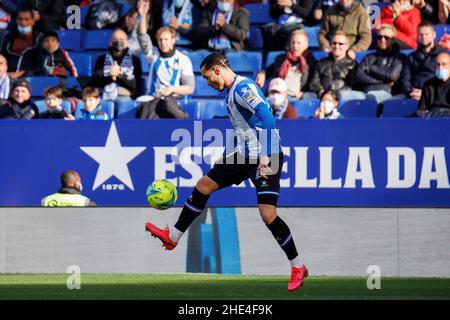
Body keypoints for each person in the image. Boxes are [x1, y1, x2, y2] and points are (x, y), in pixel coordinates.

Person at [145, 52, 308, 292]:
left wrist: (265, 154)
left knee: (268, 214)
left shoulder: (243, 89)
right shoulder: (231, 92)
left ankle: (297, 266)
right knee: (203, 185)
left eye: (207, 76)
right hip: (244, 156)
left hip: (267, 155)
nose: (208, 82)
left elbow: (268, 118)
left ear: (218, 70)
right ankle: (174, 237)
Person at [136, 2, 194, 118]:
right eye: (160, 40)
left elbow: (190, 88)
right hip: (153, 98)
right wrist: (143, 16)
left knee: (166, 103)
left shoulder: (183, 59)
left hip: (172, 99)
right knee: (149, 107)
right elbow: (142, 36)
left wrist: (171, 89)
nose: (163, 43)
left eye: (166, 39)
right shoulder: (153, 55)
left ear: (173, 40)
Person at [255, 29, 316, 100]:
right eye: (293, 42)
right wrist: (262, 73)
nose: (295, 46)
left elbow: (313, 84)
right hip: (277, 94)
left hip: (295, 97)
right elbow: (268, 70)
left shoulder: (311, 63)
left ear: (306, 45)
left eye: (298, 43)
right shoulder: (282, 59)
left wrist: (304, 94)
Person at [354, 24, 405, 105]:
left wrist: (371, 69)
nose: (382, 40)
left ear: (393, 40)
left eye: (386, 38)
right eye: (379, 37)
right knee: (345, 95)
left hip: (388, 93)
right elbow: (359, 76)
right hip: (366, 91)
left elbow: (392, 75)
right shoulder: (369, 57)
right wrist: (383, 81)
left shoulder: (399, 58)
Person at [91, 28, 142, 101]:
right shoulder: (101, 59)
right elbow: (95, 82)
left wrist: (120, 74)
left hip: (125, 96)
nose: (118, 42)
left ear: (127, 42)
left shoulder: (135, 60)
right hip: (105, 94)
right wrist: (111, 77)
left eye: (121, 39)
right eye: (115, 39)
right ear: (110, 42)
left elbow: (136, 85)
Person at [400, 22, 447, 101]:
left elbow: (445, 80)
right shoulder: (411, 57)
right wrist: (411, 91)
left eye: (426, 34)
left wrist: (426, 93)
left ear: (433, 35)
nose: (423, 37)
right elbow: (405, 79)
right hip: (413, 95)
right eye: (420, 35)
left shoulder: (444, 56)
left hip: (435, 95)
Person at [309, 31, 358, 101]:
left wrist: (333, 94)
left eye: (340, 44)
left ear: (347, 46)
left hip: (342, 96)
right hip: (322, 95)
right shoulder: (321, 63)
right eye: (334, 43)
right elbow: (314, 82)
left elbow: (352, 86)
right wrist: (321, 91)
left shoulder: (352, 65)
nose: (336, 46)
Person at [0, 8, 43, 79]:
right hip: (7, 76)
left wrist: (22, 73)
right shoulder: (8, 38)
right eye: (20, 19)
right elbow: (2, 57)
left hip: (30, 77)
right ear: (16, 21)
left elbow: (40, 65)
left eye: (26, 19)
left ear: (33, 21)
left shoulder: (40, 39)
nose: (23, 22)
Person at [418, 52, 450, 116]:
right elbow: (421, 109)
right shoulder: (428, 84)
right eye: (438, 64)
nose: (440, 68)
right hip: (432, 119)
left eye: (444, 64)